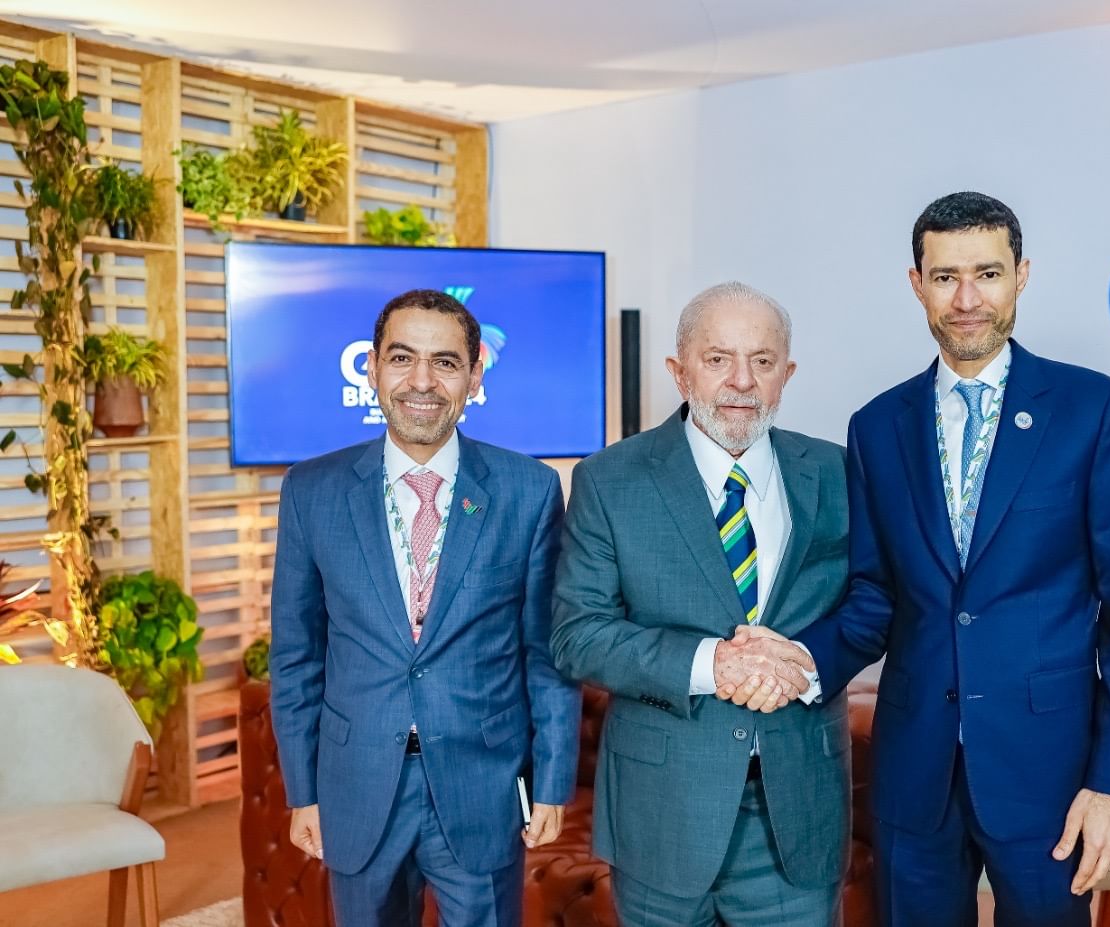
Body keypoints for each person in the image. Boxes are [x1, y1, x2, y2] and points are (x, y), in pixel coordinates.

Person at [743, 192, 1110, 926]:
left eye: (987, 274)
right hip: (915, 771)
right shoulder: (878, 426)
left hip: (1049, 771)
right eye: (945, 277)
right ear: (917, 284)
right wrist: (799, 662)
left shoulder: (1092, 410)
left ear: (1021, 275)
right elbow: (876, 596)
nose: (967, 300)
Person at [269, 288, 580, 927]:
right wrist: (303, 790)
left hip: (482, 785)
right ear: (373, 368)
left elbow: (546, 655)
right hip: (356, 783)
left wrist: (551, 783)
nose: (421, 381)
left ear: (474, 377)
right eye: (402, 358)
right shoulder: (311, 490)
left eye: (445, 362)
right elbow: (296, 657)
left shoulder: (529, 490)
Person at [550, 281, 850, 927]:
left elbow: (874, 606)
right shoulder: (609, 479)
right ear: (678, 370)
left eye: (762, 360)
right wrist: (712, 663)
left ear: (787, 374)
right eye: (718, 359)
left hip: (796, 810)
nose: (741, 381)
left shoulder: (839, 472)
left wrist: (805, 663)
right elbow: (578, 634)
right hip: (661, 812)